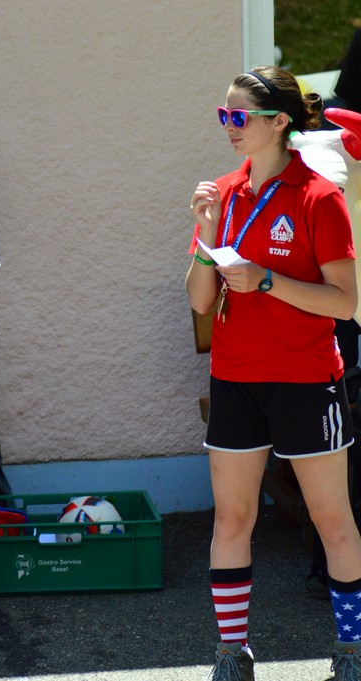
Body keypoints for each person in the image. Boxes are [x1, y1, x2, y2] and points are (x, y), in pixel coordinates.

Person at [187, 66, 361, 681]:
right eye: (223, 116)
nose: (229, 127)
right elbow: (201, 301)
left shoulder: (319, 196)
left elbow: (345, 302)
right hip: (236, 377)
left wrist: (266, 281)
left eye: (240, 117)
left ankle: (351, 650)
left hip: (306, 377)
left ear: (279, 122)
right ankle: (232, 653)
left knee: (331, 518)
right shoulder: (226, 192)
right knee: (233, 519)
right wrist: (207, 234)